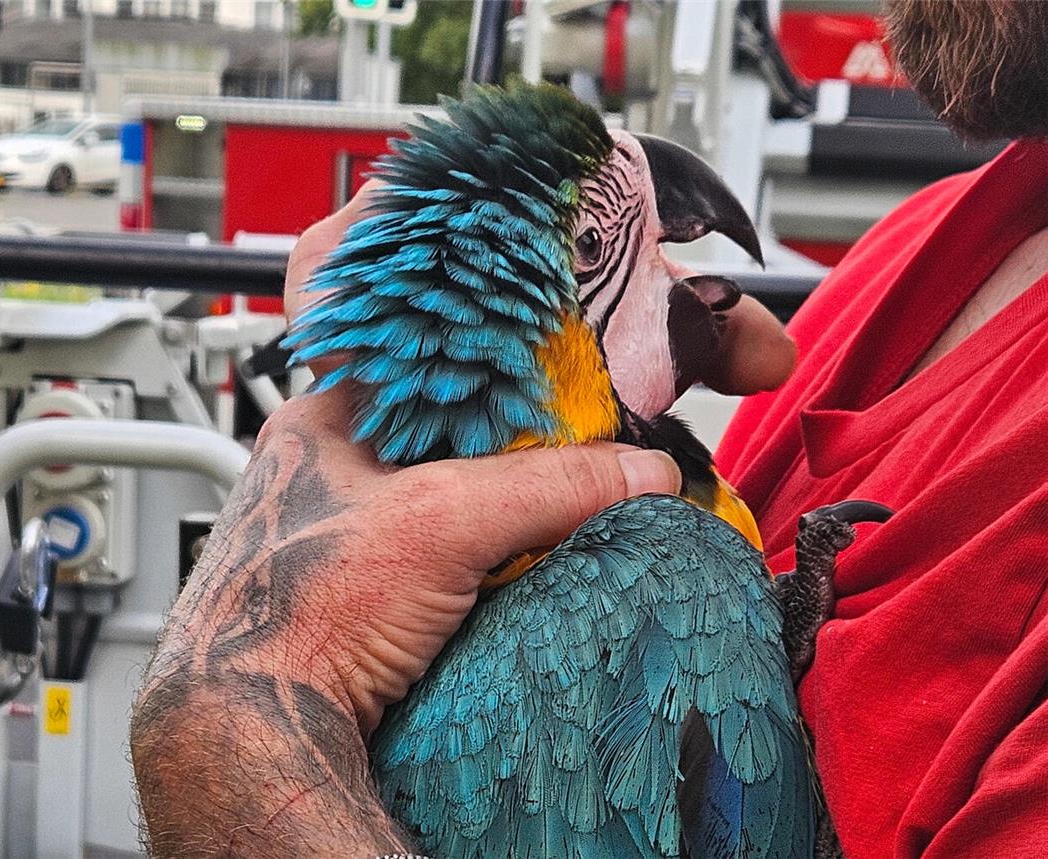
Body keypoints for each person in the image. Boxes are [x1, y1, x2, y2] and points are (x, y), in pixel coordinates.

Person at [130, 1, 1048, 856]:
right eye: (590, 251)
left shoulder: (660, 569)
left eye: (590, 249)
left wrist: (231, 730)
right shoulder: (921, 242)